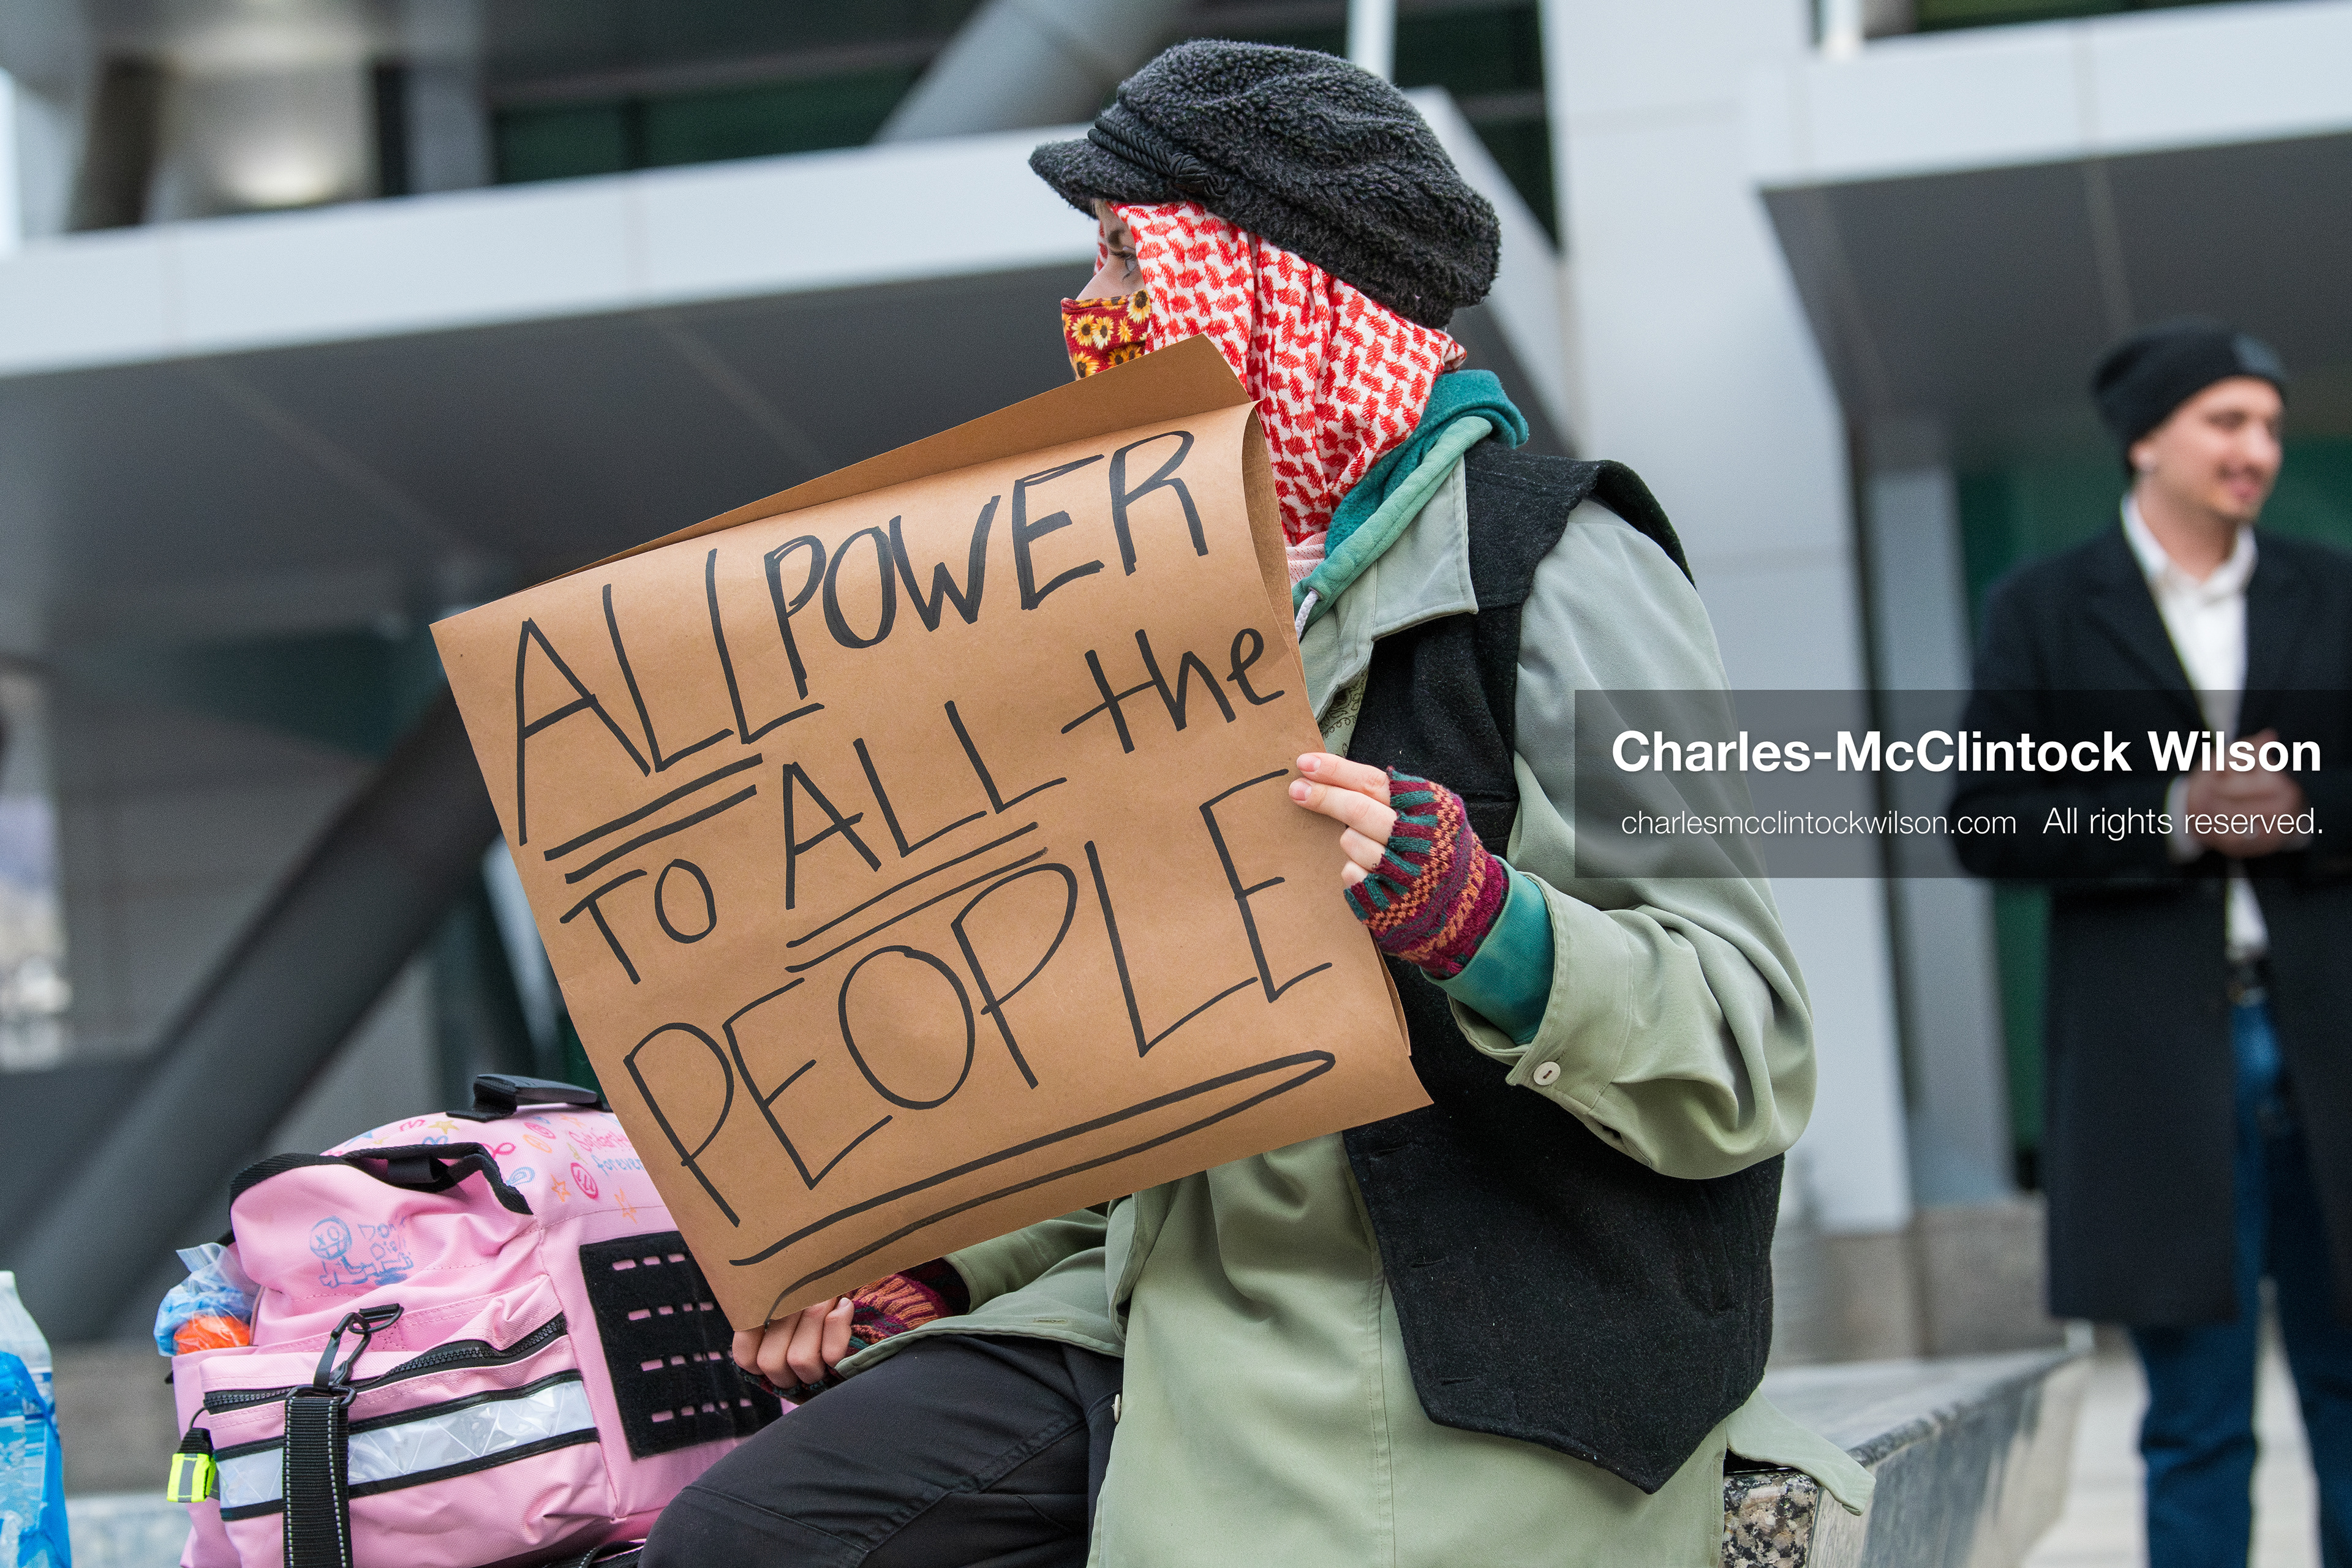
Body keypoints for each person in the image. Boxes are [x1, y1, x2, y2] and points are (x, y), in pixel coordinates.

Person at [644, 42, 1866, 1567]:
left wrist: (1492, 926)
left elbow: (1748, 1039)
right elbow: (1166, 1084)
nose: (1093, 312)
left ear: (1269, 286)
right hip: (1165, 1314)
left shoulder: (1558, 566)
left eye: (1124, 256)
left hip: (1455, 1361)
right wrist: (945, 1264)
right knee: (733, 1544)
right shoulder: (1153, 610)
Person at [1953, 318, 2352, 1567]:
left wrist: (2303, 811)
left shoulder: (2331, 591)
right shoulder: (2045, 607)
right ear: (2146, 438)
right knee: (2194, 1419)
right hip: (2152, 1064)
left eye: (2271, 429)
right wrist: (2171, 817)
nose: (2258, 450)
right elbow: (1985, 817)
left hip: (2329, 1044)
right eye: (2228, 422)